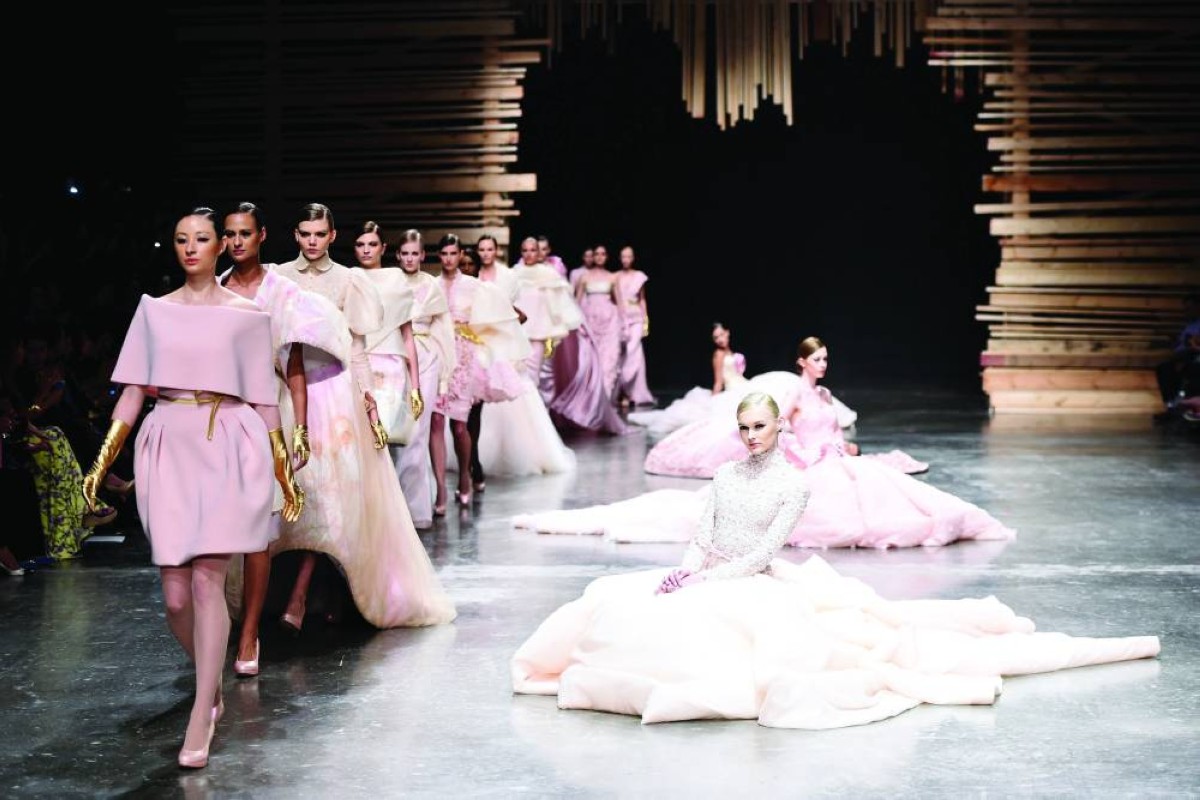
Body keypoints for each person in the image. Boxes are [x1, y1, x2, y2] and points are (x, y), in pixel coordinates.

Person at [511, 391, 1161, 730]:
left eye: (760, 428)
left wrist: (710, 576)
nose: (750, 437)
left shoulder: (793, 485)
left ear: (779, 430)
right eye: (743, 428)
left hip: (752, 580)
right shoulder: (726, 475)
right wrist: (687, 569)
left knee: (751, 648)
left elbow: (763, 551)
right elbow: (704, 531)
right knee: (624, 607)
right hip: (708, 572)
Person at [81, 207, 304, 768]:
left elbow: (263, 399)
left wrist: (283, 472)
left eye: (201, 239)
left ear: (217, 246)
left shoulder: (246, 315)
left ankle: (202, 711)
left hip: (228, 440)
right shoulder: (154, 312)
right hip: (169, 444)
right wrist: (101, 462)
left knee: (208, 583)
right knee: (175, 597)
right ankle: (212, 680)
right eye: (182, 239)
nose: (191, 247)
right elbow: (133, 391)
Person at [273, 204, 456, 631]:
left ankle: (301, 595)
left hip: (335, 398)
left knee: (330, 500)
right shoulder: (279, 278)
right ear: (296, 235)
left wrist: (368, 399)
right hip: (287, 395)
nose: (312, 241)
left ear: (332, 236)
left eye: (319, 233)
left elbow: (355, 348)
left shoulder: (347, 280)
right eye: (305, 233)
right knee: (290, 498)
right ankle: (300, 594)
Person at [219, 202, 348, 677]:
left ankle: (249, 633)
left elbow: (294, 367)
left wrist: (301, 431)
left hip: (269, 411)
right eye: (230, 234)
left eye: (245, 233)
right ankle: (228, 618)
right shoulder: (215, 289)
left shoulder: (282, 292)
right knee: (221, 525)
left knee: (259, 526)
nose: (237, 242)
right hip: (219, 414)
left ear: (262, 236)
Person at [642, 336, 912, 479]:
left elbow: (834, 432)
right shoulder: (795, 392)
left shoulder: (825, 394)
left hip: (833, 458)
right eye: (817, 359)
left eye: (825, 359)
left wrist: (842, 449)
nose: (823, 365)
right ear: (803, 362)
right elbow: (777, 425)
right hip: (810, 460)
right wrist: (795, 455)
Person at [431, 234, 528, 510]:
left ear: (460, 254)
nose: (449, 258)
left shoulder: (476, 287)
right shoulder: (431, 286)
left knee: (460, 425)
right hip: (439, 358)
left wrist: (483, 340)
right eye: (444, 253)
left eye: (454, 253)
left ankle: (466, 475)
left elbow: (510, 315)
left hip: (466, 358)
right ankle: (440, 490)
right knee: (436, 422)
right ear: (439, 256)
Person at [352, 220, 424, 489]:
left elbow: (408, 334)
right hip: (359, 362)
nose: (366, 250)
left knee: (386, 435)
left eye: (372, 244)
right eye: (360, 244)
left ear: (383, 248)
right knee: (361, 438)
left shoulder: (396, 278)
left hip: (392, 365)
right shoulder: (350, 278)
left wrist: (415, 387)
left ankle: (389, 501)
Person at [393, 230, 455, 528]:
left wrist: (445, 378)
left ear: (422, 255)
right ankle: (395, 510)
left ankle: (416, 510)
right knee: (395, 432)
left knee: (418, 432)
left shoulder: (431, 286)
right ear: (398, 255)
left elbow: (444, 332)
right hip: (394, 358)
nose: (409, 258)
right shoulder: (390, 282)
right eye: (405, 253)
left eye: (414, 253)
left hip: (427, 358)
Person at [574, 244, 623, 400]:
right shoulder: (584, 277)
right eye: (597, 254)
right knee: (590, 358)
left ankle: (605, 396)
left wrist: (624, 324)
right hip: (590, 321)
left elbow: (619, 302)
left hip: (609, 321)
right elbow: (576, 302)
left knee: (609, 357)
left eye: (603, 254)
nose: (600, 257)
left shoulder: (612, 277)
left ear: (606, 257)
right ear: (593, 256)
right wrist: (575, 322)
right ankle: (591, 396)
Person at [614, 245, 655, 409]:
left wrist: (646, 321)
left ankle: (630, 391)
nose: (626, 260)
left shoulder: (639, 276)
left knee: (633, 351)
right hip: (620, 318)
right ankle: (622, 392)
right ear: (620, 258)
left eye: (629, 256)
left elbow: (642, 299)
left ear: (633, 258)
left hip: (636, 317)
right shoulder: (615, 276)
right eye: (623, 256)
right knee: (621, 354)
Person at [1155, 293, 1200, 413]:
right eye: (1186, 309)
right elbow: (1182, 343)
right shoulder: (1190, 326)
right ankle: (1171, 406)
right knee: (1164, 369)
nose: (1187, 312)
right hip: (1182, 358)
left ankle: (1181, 407)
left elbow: (1194, 345)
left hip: (1192, 358)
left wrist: (1184, 355)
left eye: (1190, 308)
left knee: (1172, 371)